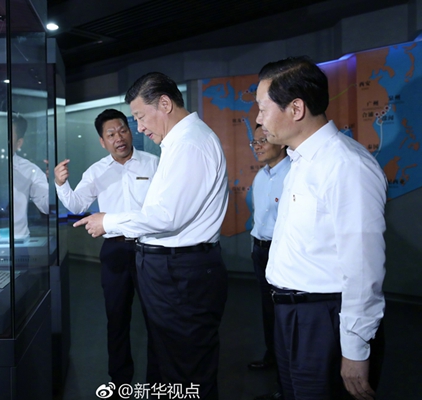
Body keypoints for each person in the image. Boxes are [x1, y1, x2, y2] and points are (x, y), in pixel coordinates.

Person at [73, 72, 229, 400]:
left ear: (165, 104)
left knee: (187, 369)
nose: (140, 128)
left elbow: (166, 216)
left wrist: (108, 221)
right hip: (171, 269)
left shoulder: (188, 145)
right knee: (172, 360)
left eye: (140, 118)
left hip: (182, 272)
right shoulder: (178, 144)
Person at [255, 56, 386, 400]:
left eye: (263, 108)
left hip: (324, 319)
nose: (259, 119)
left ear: (296, 108)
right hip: (292, 315)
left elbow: (363, 268)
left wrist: (355, 349)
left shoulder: (346, 165)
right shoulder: (300, 161)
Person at [54, 108, 159, 389]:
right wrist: (61, 184)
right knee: (117, 317)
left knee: (156, 318)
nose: (119, 138)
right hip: (115, 250)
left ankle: (157, 382)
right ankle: (120, 380)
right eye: (111, 134)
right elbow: (77, 205)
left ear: (130, 131)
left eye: (122, 130)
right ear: (102, 141)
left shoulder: (153, 164)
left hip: (150, 249)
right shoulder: (96, 171)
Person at [249, 124, 289, 400]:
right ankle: (272, 356)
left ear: (282, 141)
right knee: (268, 308)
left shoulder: (294, 174)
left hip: (282, 251)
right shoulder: (260, 177)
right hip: (260, 250)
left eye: (263, 140)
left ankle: (287, 375)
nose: (258, 146)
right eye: (254, 142)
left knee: (285, 312)